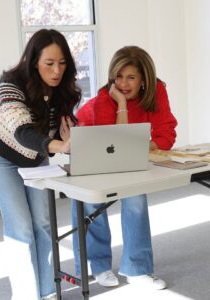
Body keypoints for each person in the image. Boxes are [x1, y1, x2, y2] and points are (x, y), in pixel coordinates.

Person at [0, 29, 81, 300]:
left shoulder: (64, 89)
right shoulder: (10, 86)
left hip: (37, 157)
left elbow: (59, 129)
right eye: (49, 63)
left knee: (43, 222)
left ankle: (47, 292)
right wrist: (60, 146)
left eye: (62, 63)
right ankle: (27, 295)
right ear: (33, 60)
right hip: (2, 156)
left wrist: (69, 135)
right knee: (21, 228)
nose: (57, 70)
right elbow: (23, 132)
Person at [72, 45, 177, 290]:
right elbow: (116, 142)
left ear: (144, 79)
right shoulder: (105, 98)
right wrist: (121, 103)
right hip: (91, 145)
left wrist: (136, 147)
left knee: (136, 199)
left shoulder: (157, 91)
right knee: (93, 202)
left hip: (130, 158)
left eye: (131, 77)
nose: (123, 84)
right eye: (118, 77)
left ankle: (137, 269)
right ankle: (98, 265)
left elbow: (166, 135)